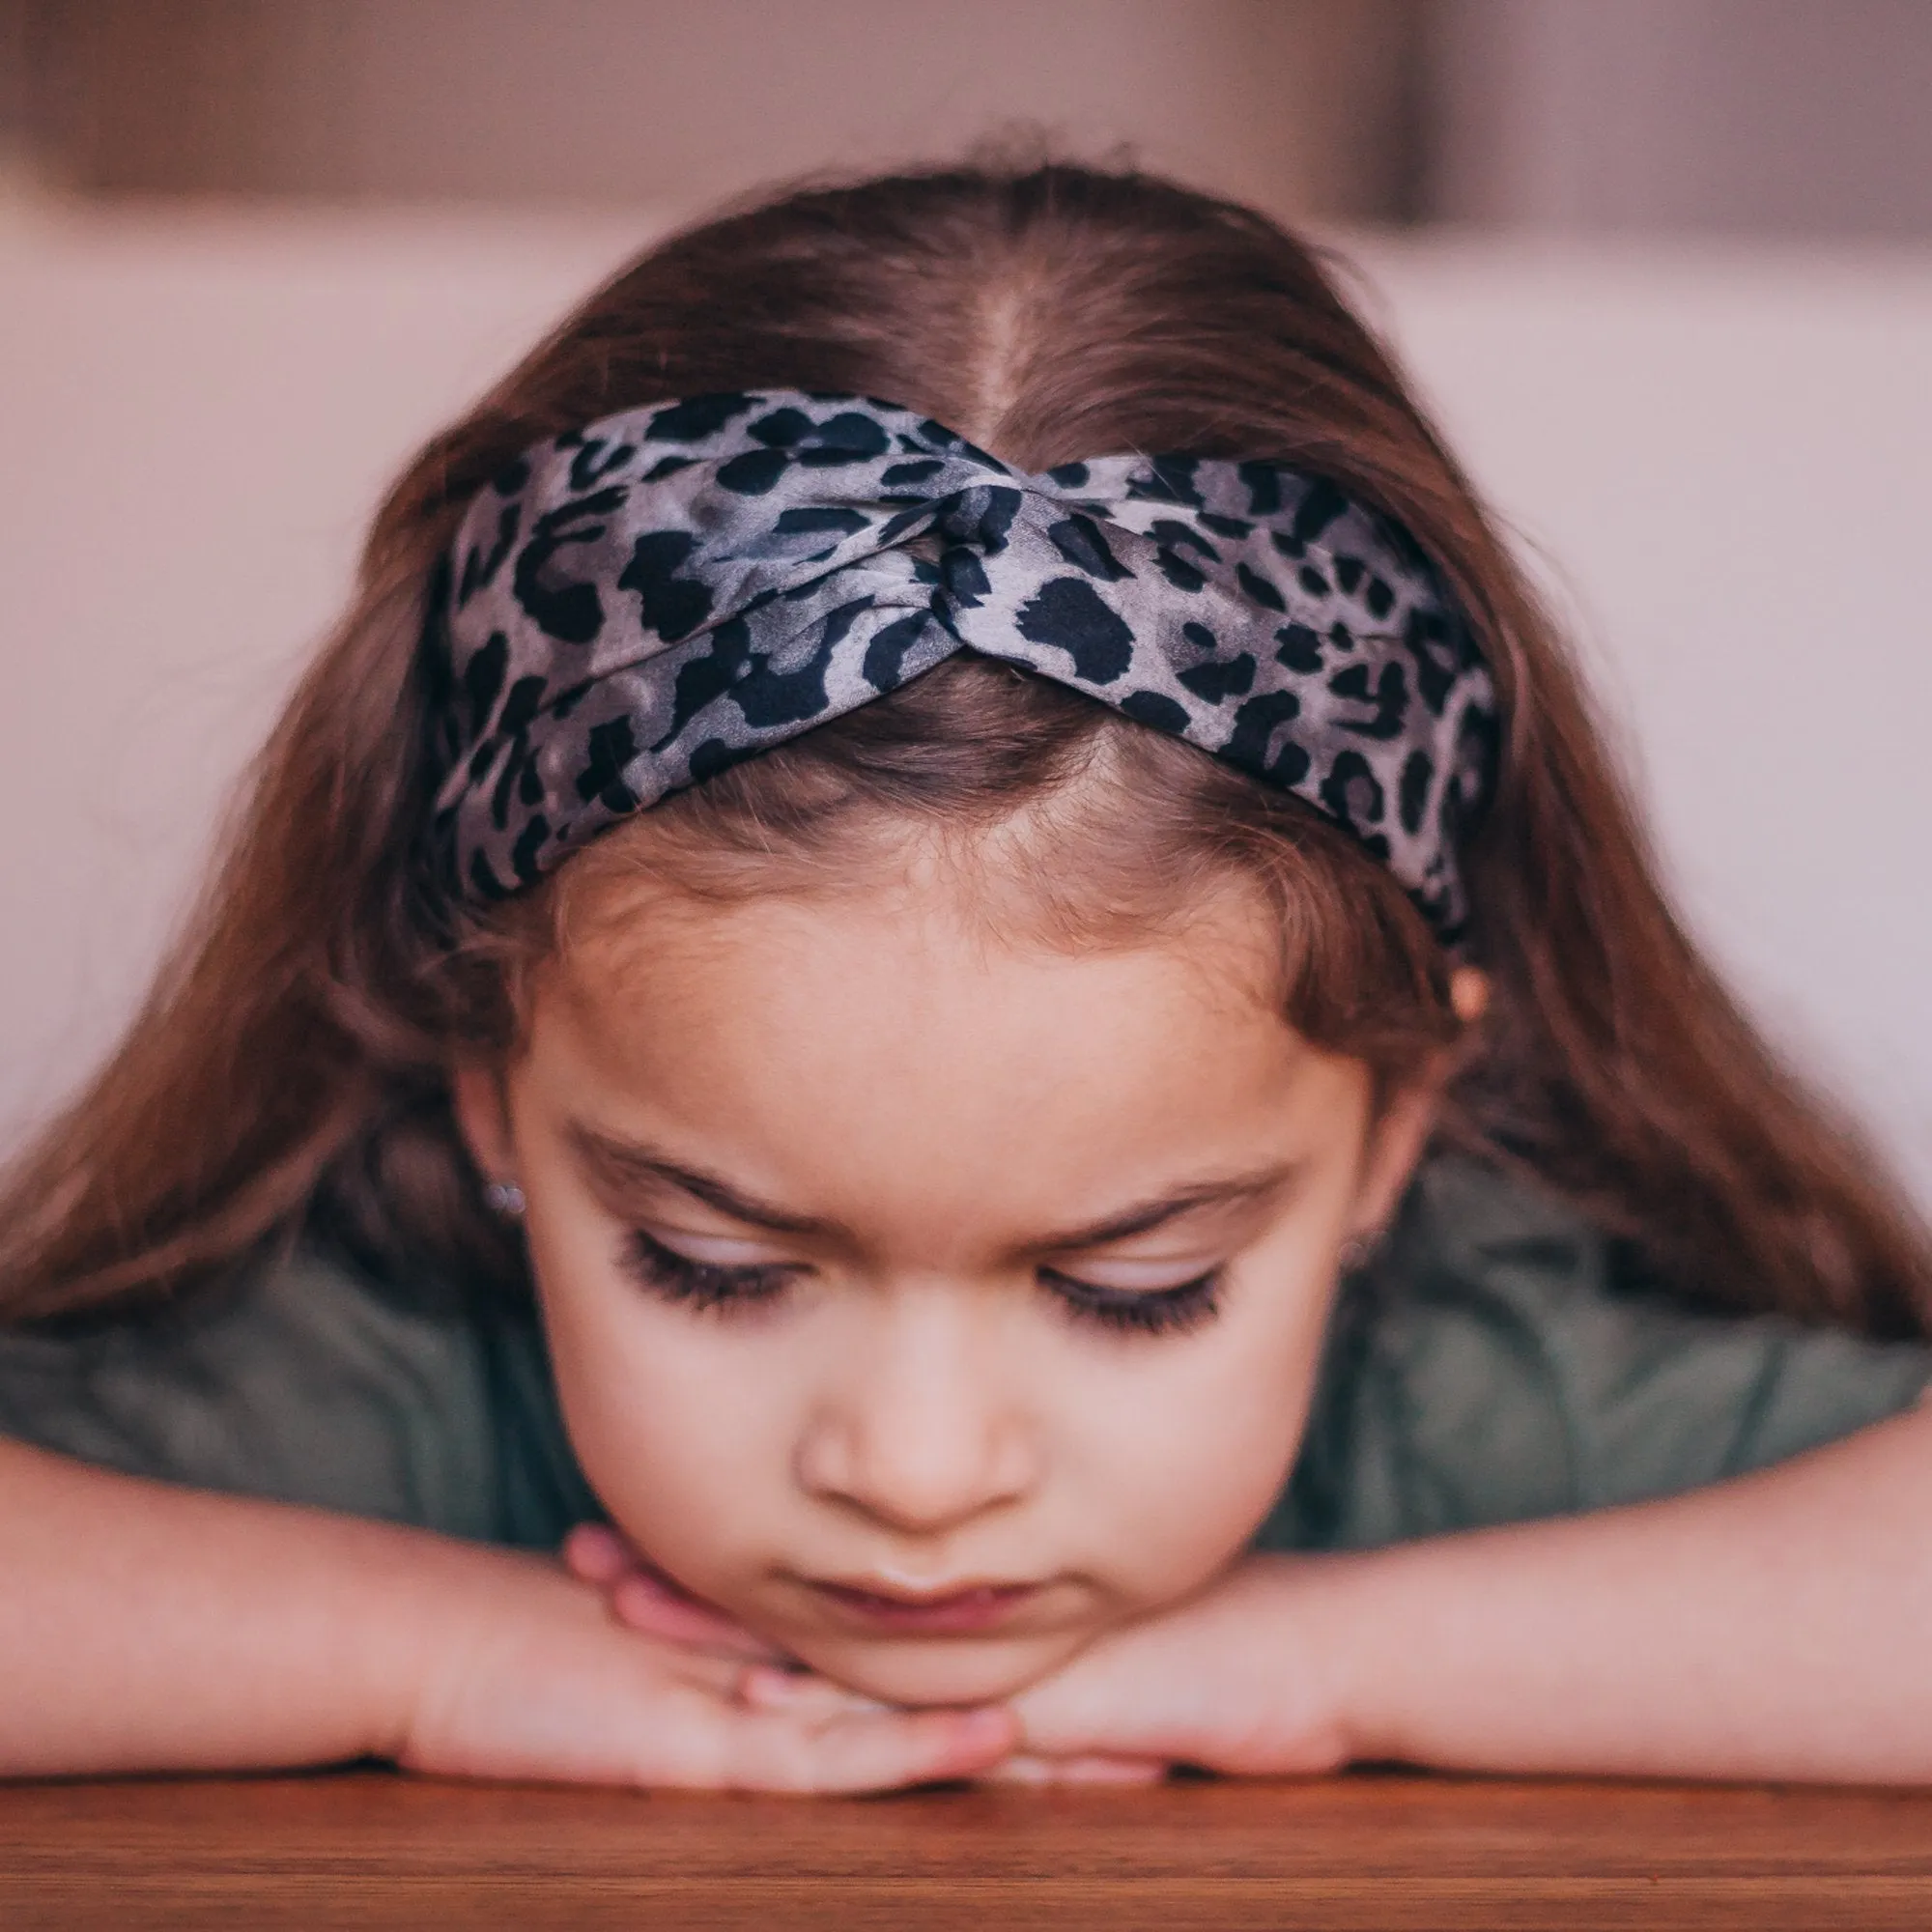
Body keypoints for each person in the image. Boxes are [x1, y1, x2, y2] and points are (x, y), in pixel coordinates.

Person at [3, 160, 1930, 1794]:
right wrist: (420, 1653)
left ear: (1391, 1133)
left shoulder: (1459, 1377)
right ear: (484, 1080)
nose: (918, 1473)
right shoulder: (394, 1358)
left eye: (1135, 1290)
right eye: (714, 1263)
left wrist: (1328, 1658)